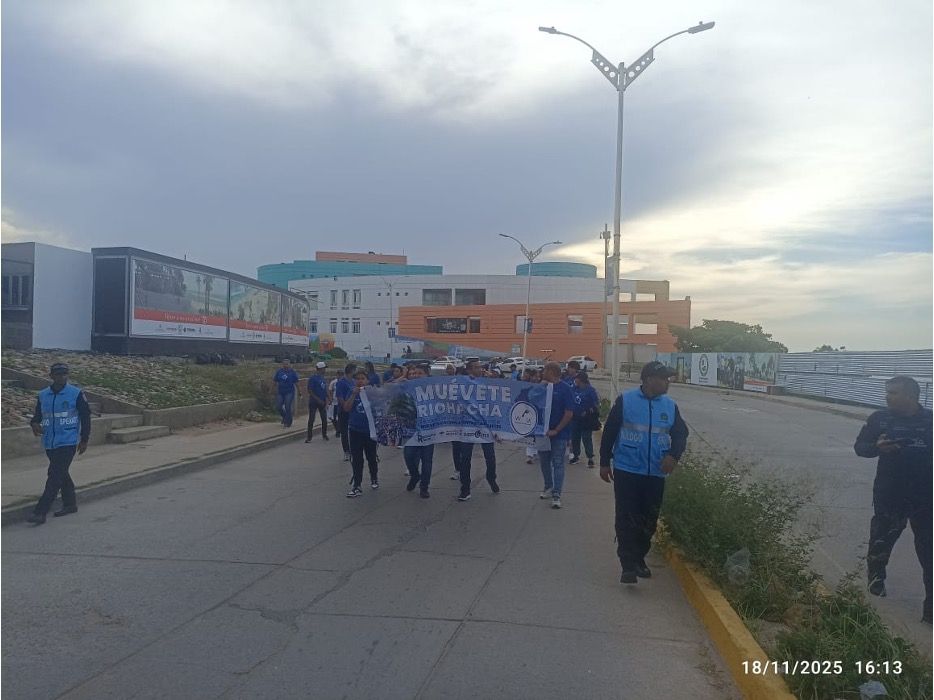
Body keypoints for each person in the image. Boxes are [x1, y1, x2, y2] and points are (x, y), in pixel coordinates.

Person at [600, 361, 689, 584]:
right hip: (627, 469)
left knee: (649, 519)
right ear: (649, 379)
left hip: (656, 473)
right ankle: (628, 564)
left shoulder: (669, 405)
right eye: (663, 378)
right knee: (626, 516)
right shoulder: (626, 401)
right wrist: (603, 462)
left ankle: (639, 557)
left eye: (668, 378)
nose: (667, 382)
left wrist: (673, 455)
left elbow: (680, 434)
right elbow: (610, 431)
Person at [854, 375, 932, 622]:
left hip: (926, 497)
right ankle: (876, 582)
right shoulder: (880, 419)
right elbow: (860, 448)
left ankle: (931, 608)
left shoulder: (930, 420)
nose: (888, 397)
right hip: (891, 494)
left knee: (930, 551)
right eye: (887, 392)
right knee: (881, 542)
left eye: (894, 393)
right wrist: (877, 447)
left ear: (911, 396)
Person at [26, 363, 91, 525]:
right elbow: (37, 416)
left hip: (67, 441)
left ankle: (40, 512)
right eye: (59, 374)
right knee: (61, 474)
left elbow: (85, 417)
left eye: (65, 374)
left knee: (54, 476)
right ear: (51, 376)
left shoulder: (75, 393)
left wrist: (84, 439)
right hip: (49, 442)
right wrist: (34, 424)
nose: (62, 377)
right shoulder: (43, 395)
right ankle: (70, 504)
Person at [453, 359, 500, 502]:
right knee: (465, 458)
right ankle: (465, 488)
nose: (480, 369)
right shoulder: (462, 384)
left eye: (480, 367)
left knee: (490, 457)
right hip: (468, 426)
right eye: (477, 367)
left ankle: (491, 478)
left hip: (486, 426)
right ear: (469, 370)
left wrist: (495, 381)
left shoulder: (487, 383)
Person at [538, 362, 575, 509]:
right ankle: (548, 486)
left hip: (559, 434)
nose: (542, 373)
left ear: (551, 371)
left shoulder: (565, 389)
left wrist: (557, 430)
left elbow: (569, 413)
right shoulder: (542, 387)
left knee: (558, 462)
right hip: (543, 433)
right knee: (544, 461)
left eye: (544, 370)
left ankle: (557, 494)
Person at [343, 369, 380, 497]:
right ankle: (357, 485)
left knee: (371, 457)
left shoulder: (373, 393)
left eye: (362, 378)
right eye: (357, 378)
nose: (360, 381)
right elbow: (346, 408)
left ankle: (374, 477)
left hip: (370, 431)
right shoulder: (351, 391)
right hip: (355, 430)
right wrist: (353, 395)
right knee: (357, 459)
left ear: (367, 380)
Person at [402, 364, 435, 498]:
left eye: (419, 373)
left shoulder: (434, 390)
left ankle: (424, 487)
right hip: (411, 430)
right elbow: (387, 389)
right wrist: (402, 379)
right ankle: (415, 476)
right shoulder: (405, 387)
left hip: (428, 430)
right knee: (409, 456)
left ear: (427, 375)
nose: (416, 375)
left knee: (427, 460)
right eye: (413, 373)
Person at [570, 371, 600, 467]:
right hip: (575, 418)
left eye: (577, 378)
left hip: (586, 419)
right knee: (575, 437)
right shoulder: (574, 389)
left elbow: (596, 405)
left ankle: (590, 457)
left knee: (586, 438)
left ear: (581, 380)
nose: (575, 380)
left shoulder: (590, 390)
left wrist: (587, 411)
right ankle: (576, 455)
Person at [335, 364, 357, 461]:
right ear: (352, 371)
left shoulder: (353, 382)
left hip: (353, 410)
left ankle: (353, 449)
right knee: (344, 432)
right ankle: (346, 451)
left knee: (353, 431)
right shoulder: (341, 382)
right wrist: (345, 406)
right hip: (343, 410)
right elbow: (339, 396)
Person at [273, 358, 301, 427]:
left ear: (289, 365)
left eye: (287, 364)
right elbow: (274, 381)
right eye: (284, 364)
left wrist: (300, 392)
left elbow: (297, 383)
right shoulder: (279, 372)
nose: (286, 365)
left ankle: (288, 422)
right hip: (280, 391)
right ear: (282, 365)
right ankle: (285, 417)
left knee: (287, 406)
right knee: (278, 406)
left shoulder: (292, 372)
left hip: (289, 392)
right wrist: (272, 390)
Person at [305, 361, 329, 442]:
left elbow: (325, 390)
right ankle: (309, 437)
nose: (325, 370)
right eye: (324, 369)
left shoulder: (323, 378)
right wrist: (318, 399)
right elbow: (310, 390)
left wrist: (328, 398)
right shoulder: (313, 378)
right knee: (311, 419)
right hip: (313, 402)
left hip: (322, 402)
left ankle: (324, 434)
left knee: (324, 419)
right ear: (320, 369)